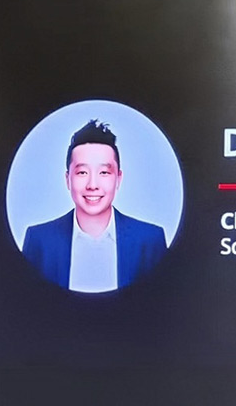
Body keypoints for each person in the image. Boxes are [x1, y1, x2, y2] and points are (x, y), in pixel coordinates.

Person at [22, 119, 167, 292]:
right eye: (82, 172)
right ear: (68, 179)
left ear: (118, 179)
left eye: (104, 172)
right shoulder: (39, 240)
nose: (92, 185)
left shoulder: (150, 241)